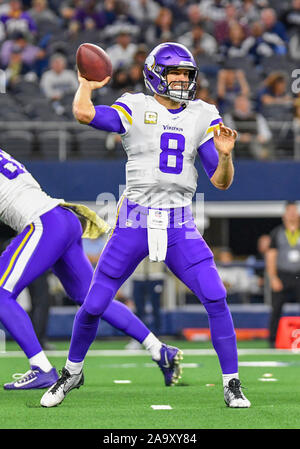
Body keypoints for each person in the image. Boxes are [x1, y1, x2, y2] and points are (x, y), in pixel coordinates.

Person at [41, 42, 251, 408]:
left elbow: (220, 181)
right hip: (135, 218)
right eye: (176, 74)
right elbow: (83, 114)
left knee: (215, 296)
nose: (184, 80)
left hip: (179, 221)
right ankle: (71, 372)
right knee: (93, 303)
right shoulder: (136, 105)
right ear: (156, 73)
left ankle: (232, 383)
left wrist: (227, 157)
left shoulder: (202, 114)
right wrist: (87, 84)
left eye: (188, 74)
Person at [0, 147, 182, 390]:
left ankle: (41, 368)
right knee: (91, 298)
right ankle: (159, 349)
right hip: (63, 218)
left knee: (1, 295)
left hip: (44, 223)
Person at [266, 201, 300, 348]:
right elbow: (271, 256)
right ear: (284, 215)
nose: (292, 214)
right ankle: (272, 340)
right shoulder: (277, 233)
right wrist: (273, 277)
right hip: (283, 276)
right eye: (289, 211)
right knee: (276, 308)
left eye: (295, 211)